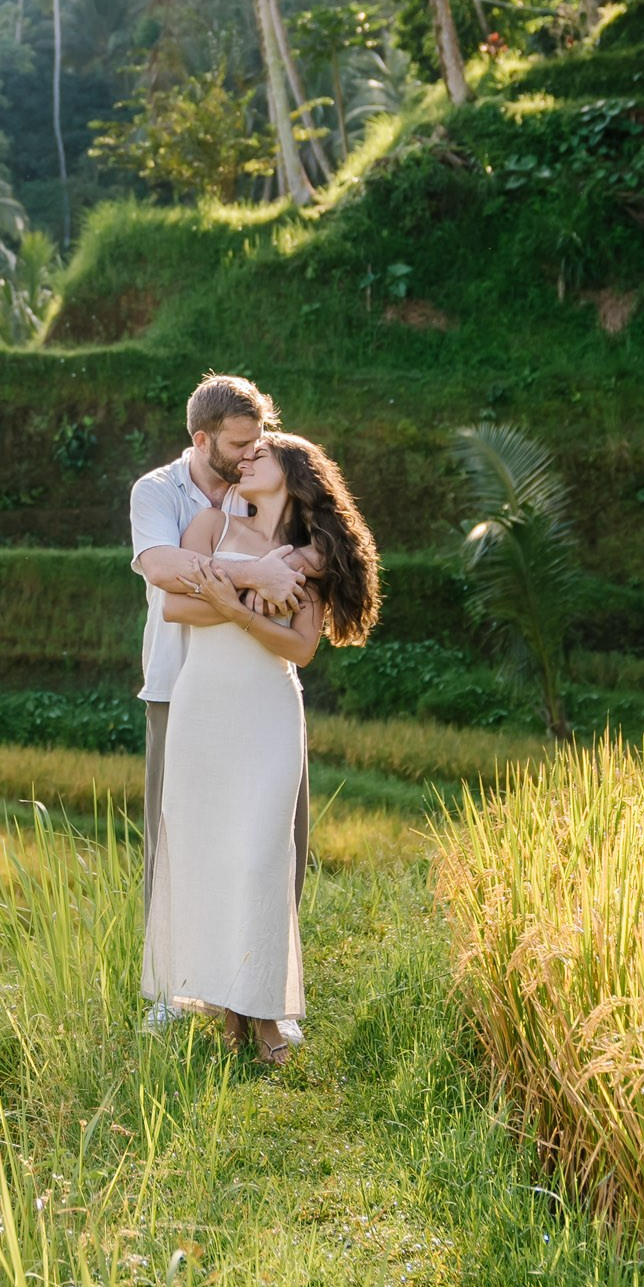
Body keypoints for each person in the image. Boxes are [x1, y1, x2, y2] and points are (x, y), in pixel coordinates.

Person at [144, 431, 380, 1063]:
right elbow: (175, 609)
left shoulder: (312, 556)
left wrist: (230, 602)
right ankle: (231, 1014)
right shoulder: (208, 526)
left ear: (293, 475)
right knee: (213, 857)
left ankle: (265, 1013)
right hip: (205, 706)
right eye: (242, 454)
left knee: (259, 859)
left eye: (260, 455)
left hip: (269, 711)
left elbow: (301, 648)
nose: (244, 460)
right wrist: (242, 591)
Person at [129, 376, 309, 1030]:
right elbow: (162, 567)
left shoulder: (265, 486)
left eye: (256, 441)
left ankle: (266, 993)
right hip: (180, 686)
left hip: (262, 688)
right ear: (200, 438)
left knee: (275, 841)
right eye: (237, 443)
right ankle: (173, 994)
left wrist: (281, 568)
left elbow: (315, 561)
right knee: (179, 842)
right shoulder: (157, 491)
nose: (249, 453)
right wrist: (256, 577)